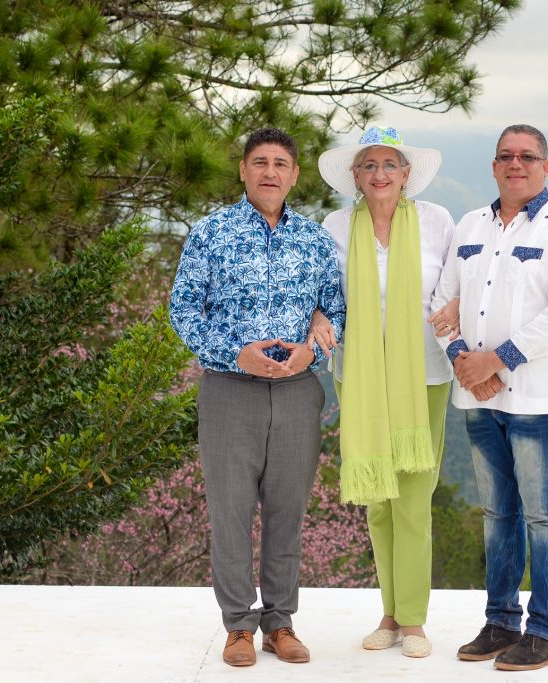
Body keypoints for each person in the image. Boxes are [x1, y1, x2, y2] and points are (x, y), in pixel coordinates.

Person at [169, 127, 346, 668]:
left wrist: (310, 352)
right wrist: (233, 352)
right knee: (230, 512)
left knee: (288, 513)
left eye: (281, 164)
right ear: (243, 171)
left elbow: (334, 313)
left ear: (295, 175)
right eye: (260, 162)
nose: (271, 171)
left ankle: (281, 623)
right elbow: (183, 311)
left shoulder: (315, 240)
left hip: (297, 393)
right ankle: (238, 627)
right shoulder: (210, 233)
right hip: (229, 391)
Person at [431, 124, 548, 671]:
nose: (515, 163)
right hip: (479, 396)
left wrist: (496, 358)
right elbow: (442, 300)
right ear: (494, 165)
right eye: (505, 155)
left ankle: (546, 633)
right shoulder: (471, 225)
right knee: (497, 513)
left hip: (541, 399)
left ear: (545, 167)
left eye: (527, 156)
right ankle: (500, 622)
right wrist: (460, 356)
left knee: (544, 515)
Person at [310, 126, 459, 659]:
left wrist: (453, 312)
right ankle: (389, 615)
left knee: (414, 498)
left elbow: (454, 286)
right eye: (369, 166)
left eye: (389, 165)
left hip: (423, 373)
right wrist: (321, 317)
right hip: (361, 372)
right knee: (377, 499)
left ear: (406, 174)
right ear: (355, 177)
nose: (380, 175)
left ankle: (414, 621)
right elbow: (323, 290)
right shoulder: (334, 226)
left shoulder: (436, 222)